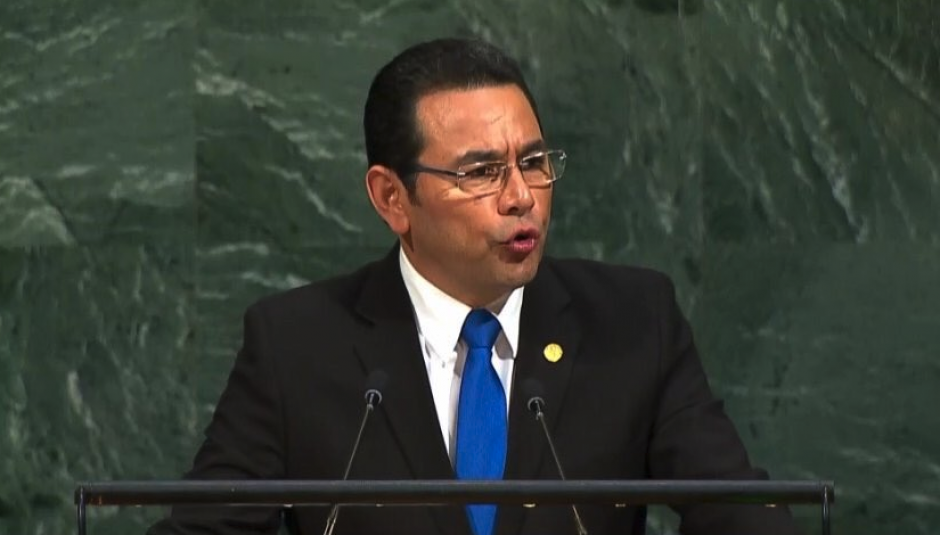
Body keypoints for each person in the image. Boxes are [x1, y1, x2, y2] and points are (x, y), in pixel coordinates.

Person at [149, 38, 802, 535]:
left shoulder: (634, 322)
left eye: (536, 162)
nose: (522, 198)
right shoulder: (297, 344)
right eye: (482, 171)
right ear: (392, 197)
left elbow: (739, 514)